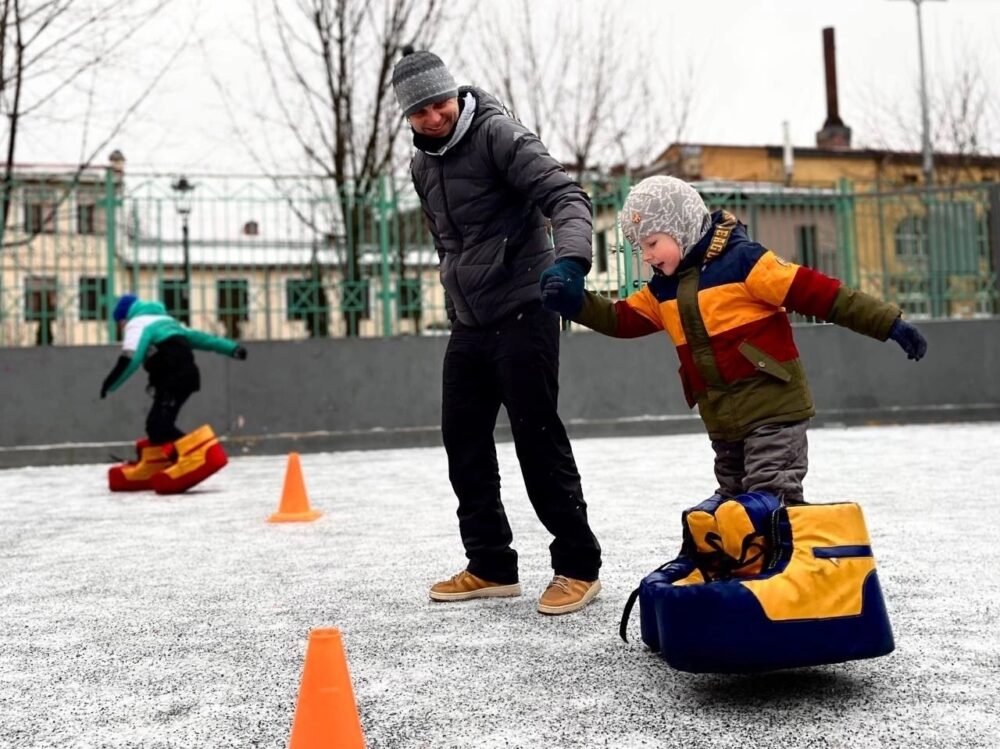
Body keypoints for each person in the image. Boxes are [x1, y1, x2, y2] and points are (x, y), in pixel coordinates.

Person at [540, 175, 928, 505]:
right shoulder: (663, 292)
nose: (646, 256)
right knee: (733, 503)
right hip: (723, 423)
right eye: (639, 247)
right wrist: (574, 302)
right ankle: (739, 574)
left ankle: (785, 576)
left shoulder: (745, 263)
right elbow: (619, 319)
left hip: (773, 411)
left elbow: (823, 295)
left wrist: (889, 324)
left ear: (680, 229)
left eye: (652, 242)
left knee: (769, 499)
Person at [392, 47, 602, 615]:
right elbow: (448, 241)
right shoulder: (421, 165)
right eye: (420, 113)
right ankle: (490, 563)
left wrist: (570, 262)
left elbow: (566, 196)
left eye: (439, 105)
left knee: (536, 436)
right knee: (462, 439)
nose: (433, 119)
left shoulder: (498, 135)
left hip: (525, 307)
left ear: (454, 94)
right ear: (406, 117)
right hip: (470, 320)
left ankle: (578, 565)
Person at [100, 294, 247, 492]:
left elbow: (130, 358)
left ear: (123, 319)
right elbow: (203, 339)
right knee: (157, 424)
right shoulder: (168, 322)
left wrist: (110, 383)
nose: (120, 328)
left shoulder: (137, 324)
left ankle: (198, 453)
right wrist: (232, 348)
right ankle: (161, 460)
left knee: (159, 426)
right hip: (182, 378)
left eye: (119, 324)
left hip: (174, 379)